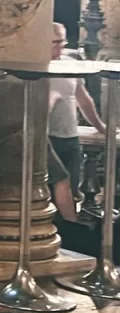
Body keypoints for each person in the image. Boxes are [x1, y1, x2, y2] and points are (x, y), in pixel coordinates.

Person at [49, 21, 104, 196]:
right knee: (51, 191)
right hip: (47, 139)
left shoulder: (69, 64)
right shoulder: (34, 69)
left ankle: (67, 223)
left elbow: (83, 99)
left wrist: (100, 127)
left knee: (71, 190)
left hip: (70, 138)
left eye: (63, 42)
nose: (61, 47)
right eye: (56, 42)